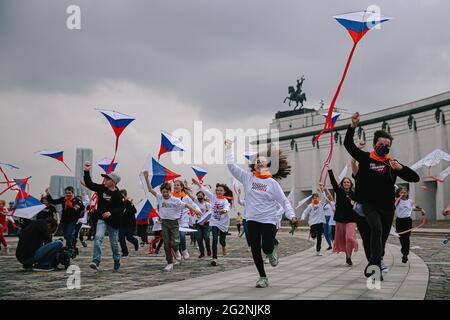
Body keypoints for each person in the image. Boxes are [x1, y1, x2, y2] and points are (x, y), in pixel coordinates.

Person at [344, 112, 420, 280]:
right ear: (374, 144)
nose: (384, 146)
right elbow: (348, 145)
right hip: (369, 205)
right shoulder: (365, 158)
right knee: (376, 230)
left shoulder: (391, 163)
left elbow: (415, 178)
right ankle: (376, 264)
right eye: (381, 143)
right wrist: (352, 126)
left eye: (387, 145)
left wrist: (401, 169)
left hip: (387, 207)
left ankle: (375, 261)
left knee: (382, 240)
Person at [225, 139, 298, 288]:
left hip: (268, 219)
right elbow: (231, 166)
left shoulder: (272, 183)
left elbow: (284, 202)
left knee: (266, 247)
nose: (259, 164)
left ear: (268, 166)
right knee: (255, 248)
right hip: (251, 219)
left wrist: (291, 216)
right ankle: (262, 277)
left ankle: (271, 251)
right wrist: (228, 149)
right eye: (257, 161)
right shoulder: (247, 177)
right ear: (254, 164)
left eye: (263, 162)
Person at [142, 171, 201, 272]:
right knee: (166, 244)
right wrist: (147, 178)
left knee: (174, 243)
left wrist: (195, 210)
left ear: (170, 192)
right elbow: (150, 189)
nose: (165, 194)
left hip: (174, 224)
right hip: (164, 223)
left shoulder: (175, 200)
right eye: (163, 192)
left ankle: (177, 251)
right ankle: (169, 263)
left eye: (167, 192)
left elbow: (186, 205)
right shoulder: (160, 197)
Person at [83, 161, 124, 272]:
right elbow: (90, 184)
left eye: (107, 179)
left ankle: (117, 259)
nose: (104, 180)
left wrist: (111, 212)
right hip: (102, 219)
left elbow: (121, 208)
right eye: (105, 179)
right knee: (98, 238)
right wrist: (86, 171)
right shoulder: (102, 188)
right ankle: (96, 261)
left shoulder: (118, 194)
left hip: (114, 222)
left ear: (114, 182)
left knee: (114, 243)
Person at [192, 179, 232, 266]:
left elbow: (227, 207)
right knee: (214, 239)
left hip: (223, 223)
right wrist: (198, 184)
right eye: (217, 190)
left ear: (224, 192)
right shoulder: (213, 197)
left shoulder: (225, 200)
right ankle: (214, 258)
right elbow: (204, 190)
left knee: (222, 240)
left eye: (221, 190)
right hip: (214, 222)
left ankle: (224, 246)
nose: (218, 192)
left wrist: (224, 211)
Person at [327, 165, 359, 266]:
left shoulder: (354, 194)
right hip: (340, 219)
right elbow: (333, 182)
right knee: (342, 239)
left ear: (350, 184)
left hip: (351, 219)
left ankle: (350, 253)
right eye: (344, 182)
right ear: (342, 184)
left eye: (348, 182)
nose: (346, 183)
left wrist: (355, 202)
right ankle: (348, 257)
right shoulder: (339, 191)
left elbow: (360, 202)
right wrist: (329, 169)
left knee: (349, 238)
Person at [395, 187, 425, 263]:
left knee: (406, 238)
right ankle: (404, 250)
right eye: (401, 192)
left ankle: (405, 254)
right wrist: (398, 197)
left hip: (407, 221)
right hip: (399, 221)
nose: (403, 193)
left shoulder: (410, 201)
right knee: (402, 238)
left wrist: (421, 210)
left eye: (405, 192)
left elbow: (414, 208)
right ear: (398, 193)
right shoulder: (397, 201)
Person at [172, 180, 200, 261]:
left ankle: (184, 250)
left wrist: (198, 211)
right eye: (175, 185)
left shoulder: (186, 197)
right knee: (176, 240)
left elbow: (194, 205)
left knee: (182, 236)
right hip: (174, 221)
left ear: (181, 187)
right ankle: (178, 253)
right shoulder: (171, 196)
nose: (176, 186)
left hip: (183, 220)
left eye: (178, 185)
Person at [301, 192, 326, 256]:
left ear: (318, 198)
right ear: (312, 199)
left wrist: (322, 191)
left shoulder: (321, 204)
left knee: (319, 238)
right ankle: (313, 235)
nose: (315, 199)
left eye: (316, 198)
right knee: (314, 235)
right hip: (313, 223)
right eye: (314, 198)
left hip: (320, 223)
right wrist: (302, 217)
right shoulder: (310, 206)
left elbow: (324, 198)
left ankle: (318, 251)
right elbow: (305, 212)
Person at [119, 189, 139, 257]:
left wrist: (126, 210)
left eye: (122, 195)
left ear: (125, 195)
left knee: (129, 238)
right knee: (121, 238)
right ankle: (125, 252)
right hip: (122, 224)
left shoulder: (129, 202)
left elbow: (134, 211)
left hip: (130, 224)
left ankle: (135, 242)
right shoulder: (118, 203)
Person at [193, 191, 212, 258]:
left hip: (206, 223)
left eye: (201, 196)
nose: (199, 197)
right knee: (199, 238)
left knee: (206, 237)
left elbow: (210, 213)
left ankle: (208, 250)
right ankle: (202, 252)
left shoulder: (207, 204)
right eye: (198, 196)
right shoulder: (195, 203)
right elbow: (189, 196)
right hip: (198, 223)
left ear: (203, 197)